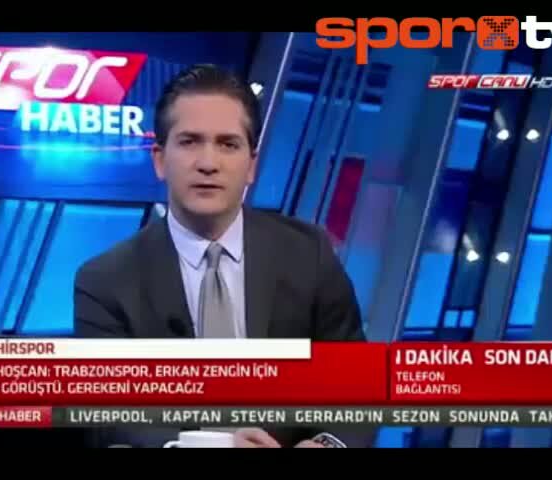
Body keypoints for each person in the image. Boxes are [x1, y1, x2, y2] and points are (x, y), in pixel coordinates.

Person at [74, 64, 368, 448]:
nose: (208, 163)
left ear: (252, 165)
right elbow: (108, 418)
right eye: (190, 142)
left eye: (228, 144)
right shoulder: (106, 281)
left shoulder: (307, 253)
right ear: (159, 159)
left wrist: (327, 444)